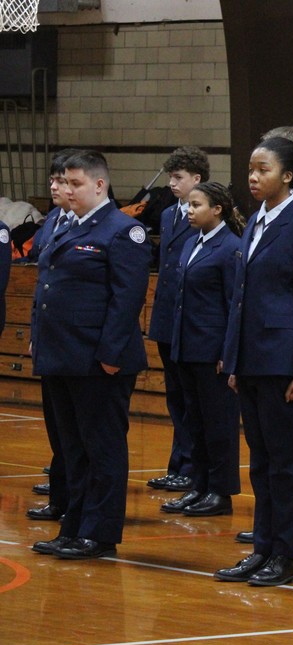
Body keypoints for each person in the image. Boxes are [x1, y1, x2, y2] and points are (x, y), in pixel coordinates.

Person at [215, 137, 293, 586]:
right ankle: (263, 545)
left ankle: (287, 553)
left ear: (288, 175)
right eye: (249, 168)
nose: (252, 176)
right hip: (252, 360)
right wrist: (233, 360)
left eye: (262, 169)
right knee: (262, 462)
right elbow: (241, 299)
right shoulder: (257, 221)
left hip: (287, 363)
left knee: (290, 463)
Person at [29, 150, 151, 559]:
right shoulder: (65, 226)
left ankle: (99, 533)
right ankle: (74, 526)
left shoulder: (122, 230)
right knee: (73, 449)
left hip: (98, 361)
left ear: (100, 185)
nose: (67, 190)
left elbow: (126, 299)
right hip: (63, 356)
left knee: (102, 450)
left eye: (75, 183)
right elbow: (46, 290)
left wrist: (110, 356)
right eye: (64, 183)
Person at [160, 182, 245, 517]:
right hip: (187, 346)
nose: (189, 211)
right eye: (189, 206)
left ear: (217, 209)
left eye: (196, 205)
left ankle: (221, 492)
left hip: (212, 352)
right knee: (193, 422)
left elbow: (233, 305)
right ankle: (199, 485)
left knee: (218, 425)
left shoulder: (230, 248)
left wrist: (229, 351)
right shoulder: (191, 242)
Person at [146, 146, 210, 496]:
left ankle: (190, 468)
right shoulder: (170, 214)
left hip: (192, 323)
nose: (172, 183)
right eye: (171, 177)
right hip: (167, 317)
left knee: (191, 400)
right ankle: (178, 465)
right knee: (175, 397)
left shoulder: (211, 217)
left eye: (178, 177)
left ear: (196, 179)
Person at [24, 149, 79, 521]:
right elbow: (42, 282)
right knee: (57, 430)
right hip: (52, 340)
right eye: (55, 180)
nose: (56, 186)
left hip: (79, 345)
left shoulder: (96, 225)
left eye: (65, 181)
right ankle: (61, 498)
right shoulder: (55, 220)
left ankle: (79, 506)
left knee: (79, 436)